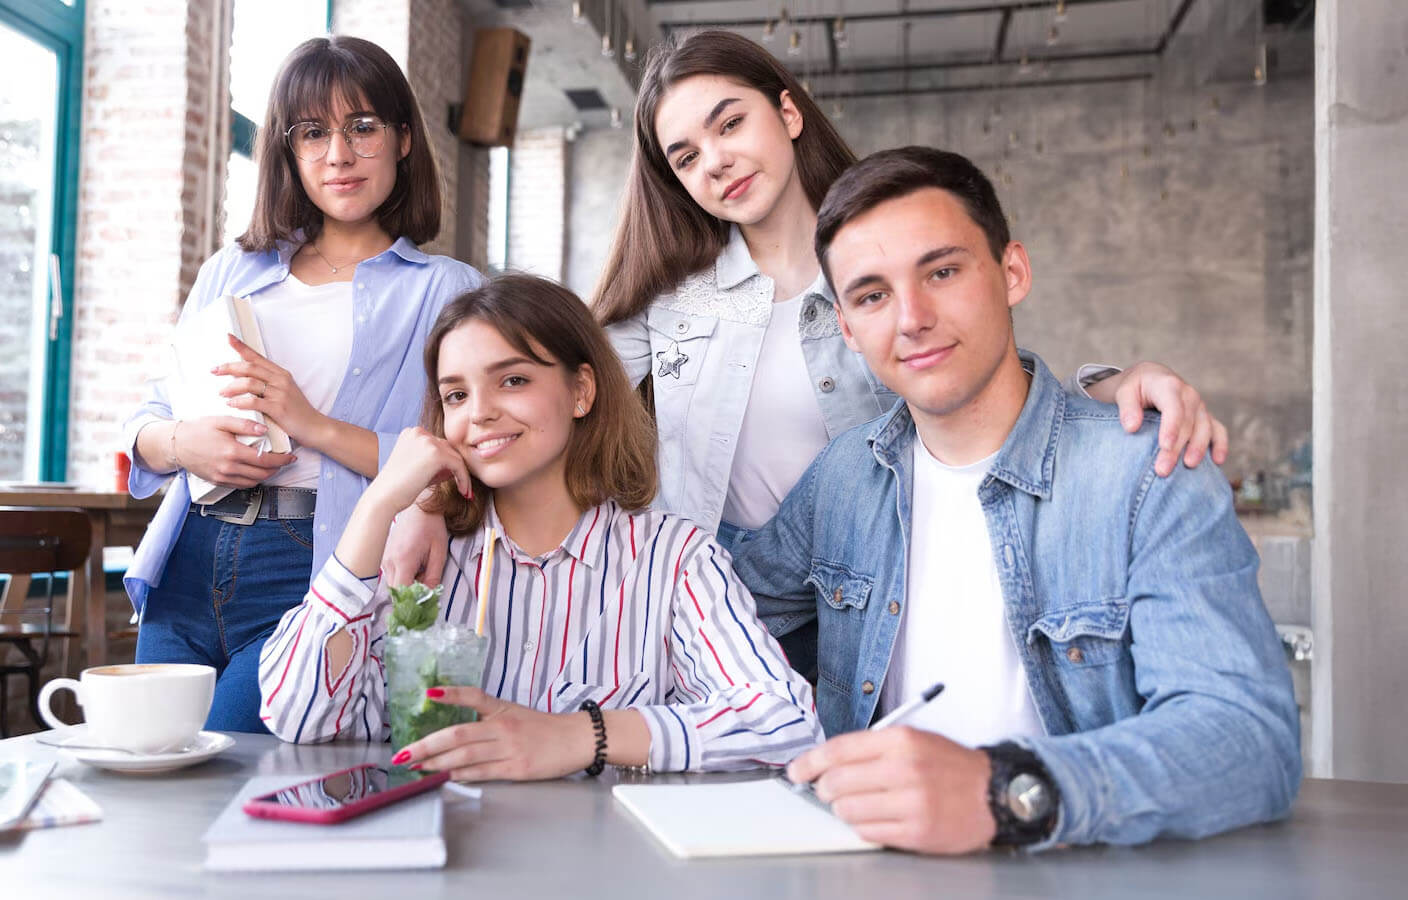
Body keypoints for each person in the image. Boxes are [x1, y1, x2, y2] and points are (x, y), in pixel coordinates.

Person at [383, 31, 1229, 665]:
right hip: (733, 615)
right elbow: (524, 397)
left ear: (786, 111)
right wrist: (426, 502)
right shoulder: (669, 303)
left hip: (893, 600)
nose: (717, 162)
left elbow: (981, 369)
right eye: (686, 155)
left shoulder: (876, 268)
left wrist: (1118, 380)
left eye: (730, 123)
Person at [729, 146, 1300, 853]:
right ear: (848, 328)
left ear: (1012, 272)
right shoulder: (846, 477)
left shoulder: (1145, 474)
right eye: (872, 295)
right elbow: (713, 610)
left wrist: (1003, 791)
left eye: (941, 271)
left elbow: (1247, 738)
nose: (912, 317)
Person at [258, 274, 820, 779]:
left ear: (581, 391)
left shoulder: (672, 559)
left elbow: (787, 725)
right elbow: (299, 717)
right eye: (456, 395)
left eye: (512, 381)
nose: (478, 413)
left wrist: (582, 736)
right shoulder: (415, 559)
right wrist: (378, 507)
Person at [121, 36, 481, 733]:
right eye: (312, 133)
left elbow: (452, 461)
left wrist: (310, 424)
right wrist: (183, 442)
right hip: (188, 559)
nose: (337, 155)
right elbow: (148, 416)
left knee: (234, 778)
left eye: (362, 128)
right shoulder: (234, 269)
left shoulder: (447, 292)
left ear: (404, 138)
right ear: (288, 151)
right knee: (154, 776)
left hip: (311, 568)